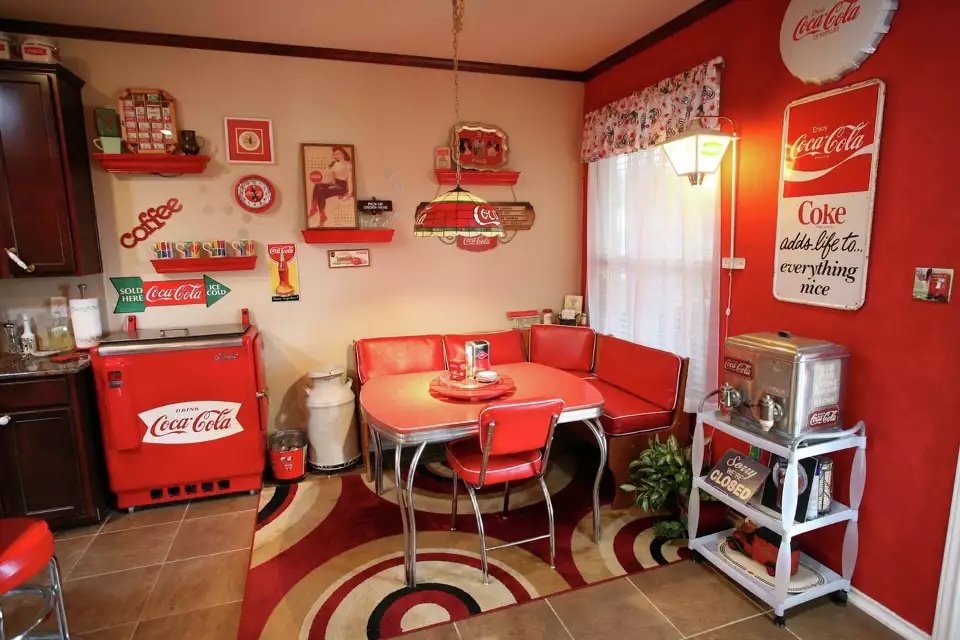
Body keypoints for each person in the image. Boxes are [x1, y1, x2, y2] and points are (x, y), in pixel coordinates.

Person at [309, 146, 353, 226]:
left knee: (321, 191)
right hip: (335, 184)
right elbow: (329, 174)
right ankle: (314, 210)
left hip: (342, 188)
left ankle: (321, 216)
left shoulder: (348, 164)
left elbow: (350, 179)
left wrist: (349, 193)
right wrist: (328, 168)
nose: (336, 156)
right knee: (318, 185)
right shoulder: (335, 164)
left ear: (343, 153)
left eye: (338, 154)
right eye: (335, 154)